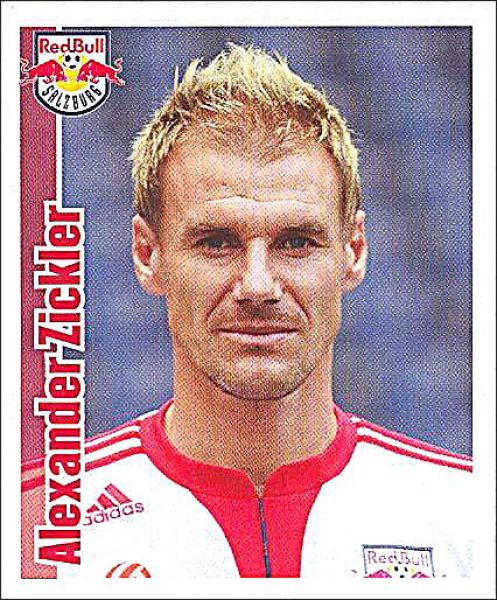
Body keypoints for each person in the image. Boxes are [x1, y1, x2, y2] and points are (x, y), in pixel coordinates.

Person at [22, 44, 472, 579]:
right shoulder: (34, 528)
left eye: (297, 242)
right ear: (148, 255)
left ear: (353, 251)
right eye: (216, 242)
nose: (258, 286)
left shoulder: (469, 516)